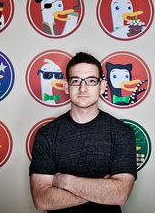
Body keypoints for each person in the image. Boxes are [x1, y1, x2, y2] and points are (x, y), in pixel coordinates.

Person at [29, 52, 137, 213]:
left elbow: (120, 195)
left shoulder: (122, 133)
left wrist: (65, 181)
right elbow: (42, 200)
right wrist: (102, 188)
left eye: (91, 81)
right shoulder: (47, 135)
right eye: (76, 81)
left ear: (102, 86)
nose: (83, 88)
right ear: (66, 86)